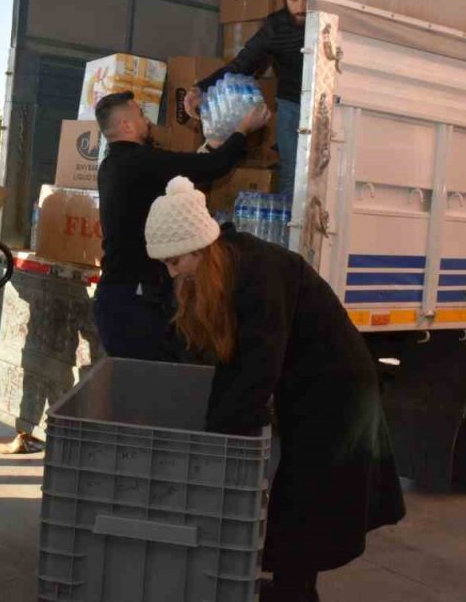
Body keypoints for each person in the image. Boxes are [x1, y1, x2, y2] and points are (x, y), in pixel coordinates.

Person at [143, 176, 406, 602]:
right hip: (304, 381)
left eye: (175, 262)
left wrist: (219, 438)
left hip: (335, 388)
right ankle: (290, 586)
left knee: (307, 500)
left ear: (199, 247)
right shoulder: (228, 263)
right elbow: (232, 361)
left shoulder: (257, 273)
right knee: (298, 499)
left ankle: (296, 593)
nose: (171, 272)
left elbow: (257, 367)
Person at [93, 90, 269, 362]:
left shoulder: (112, 166)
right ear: (126, 125)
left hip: (117, 297)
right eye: (140, 115)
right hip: (135, 302)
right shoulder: (140, 162)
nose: (147, 121)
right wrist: (243, 129)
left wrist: (211, 145)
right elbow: (212, 167)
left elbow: (180, 171)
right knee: (159, 384)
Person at [185, 0, 309, 196]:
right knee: (291, 173)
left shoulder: (328, 21)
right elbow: (241, 65)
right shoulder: (275, 26)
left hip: (329, 105)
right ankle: (288, 231)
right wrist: (200, 88)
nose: (300, 7)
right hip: (291, 105)